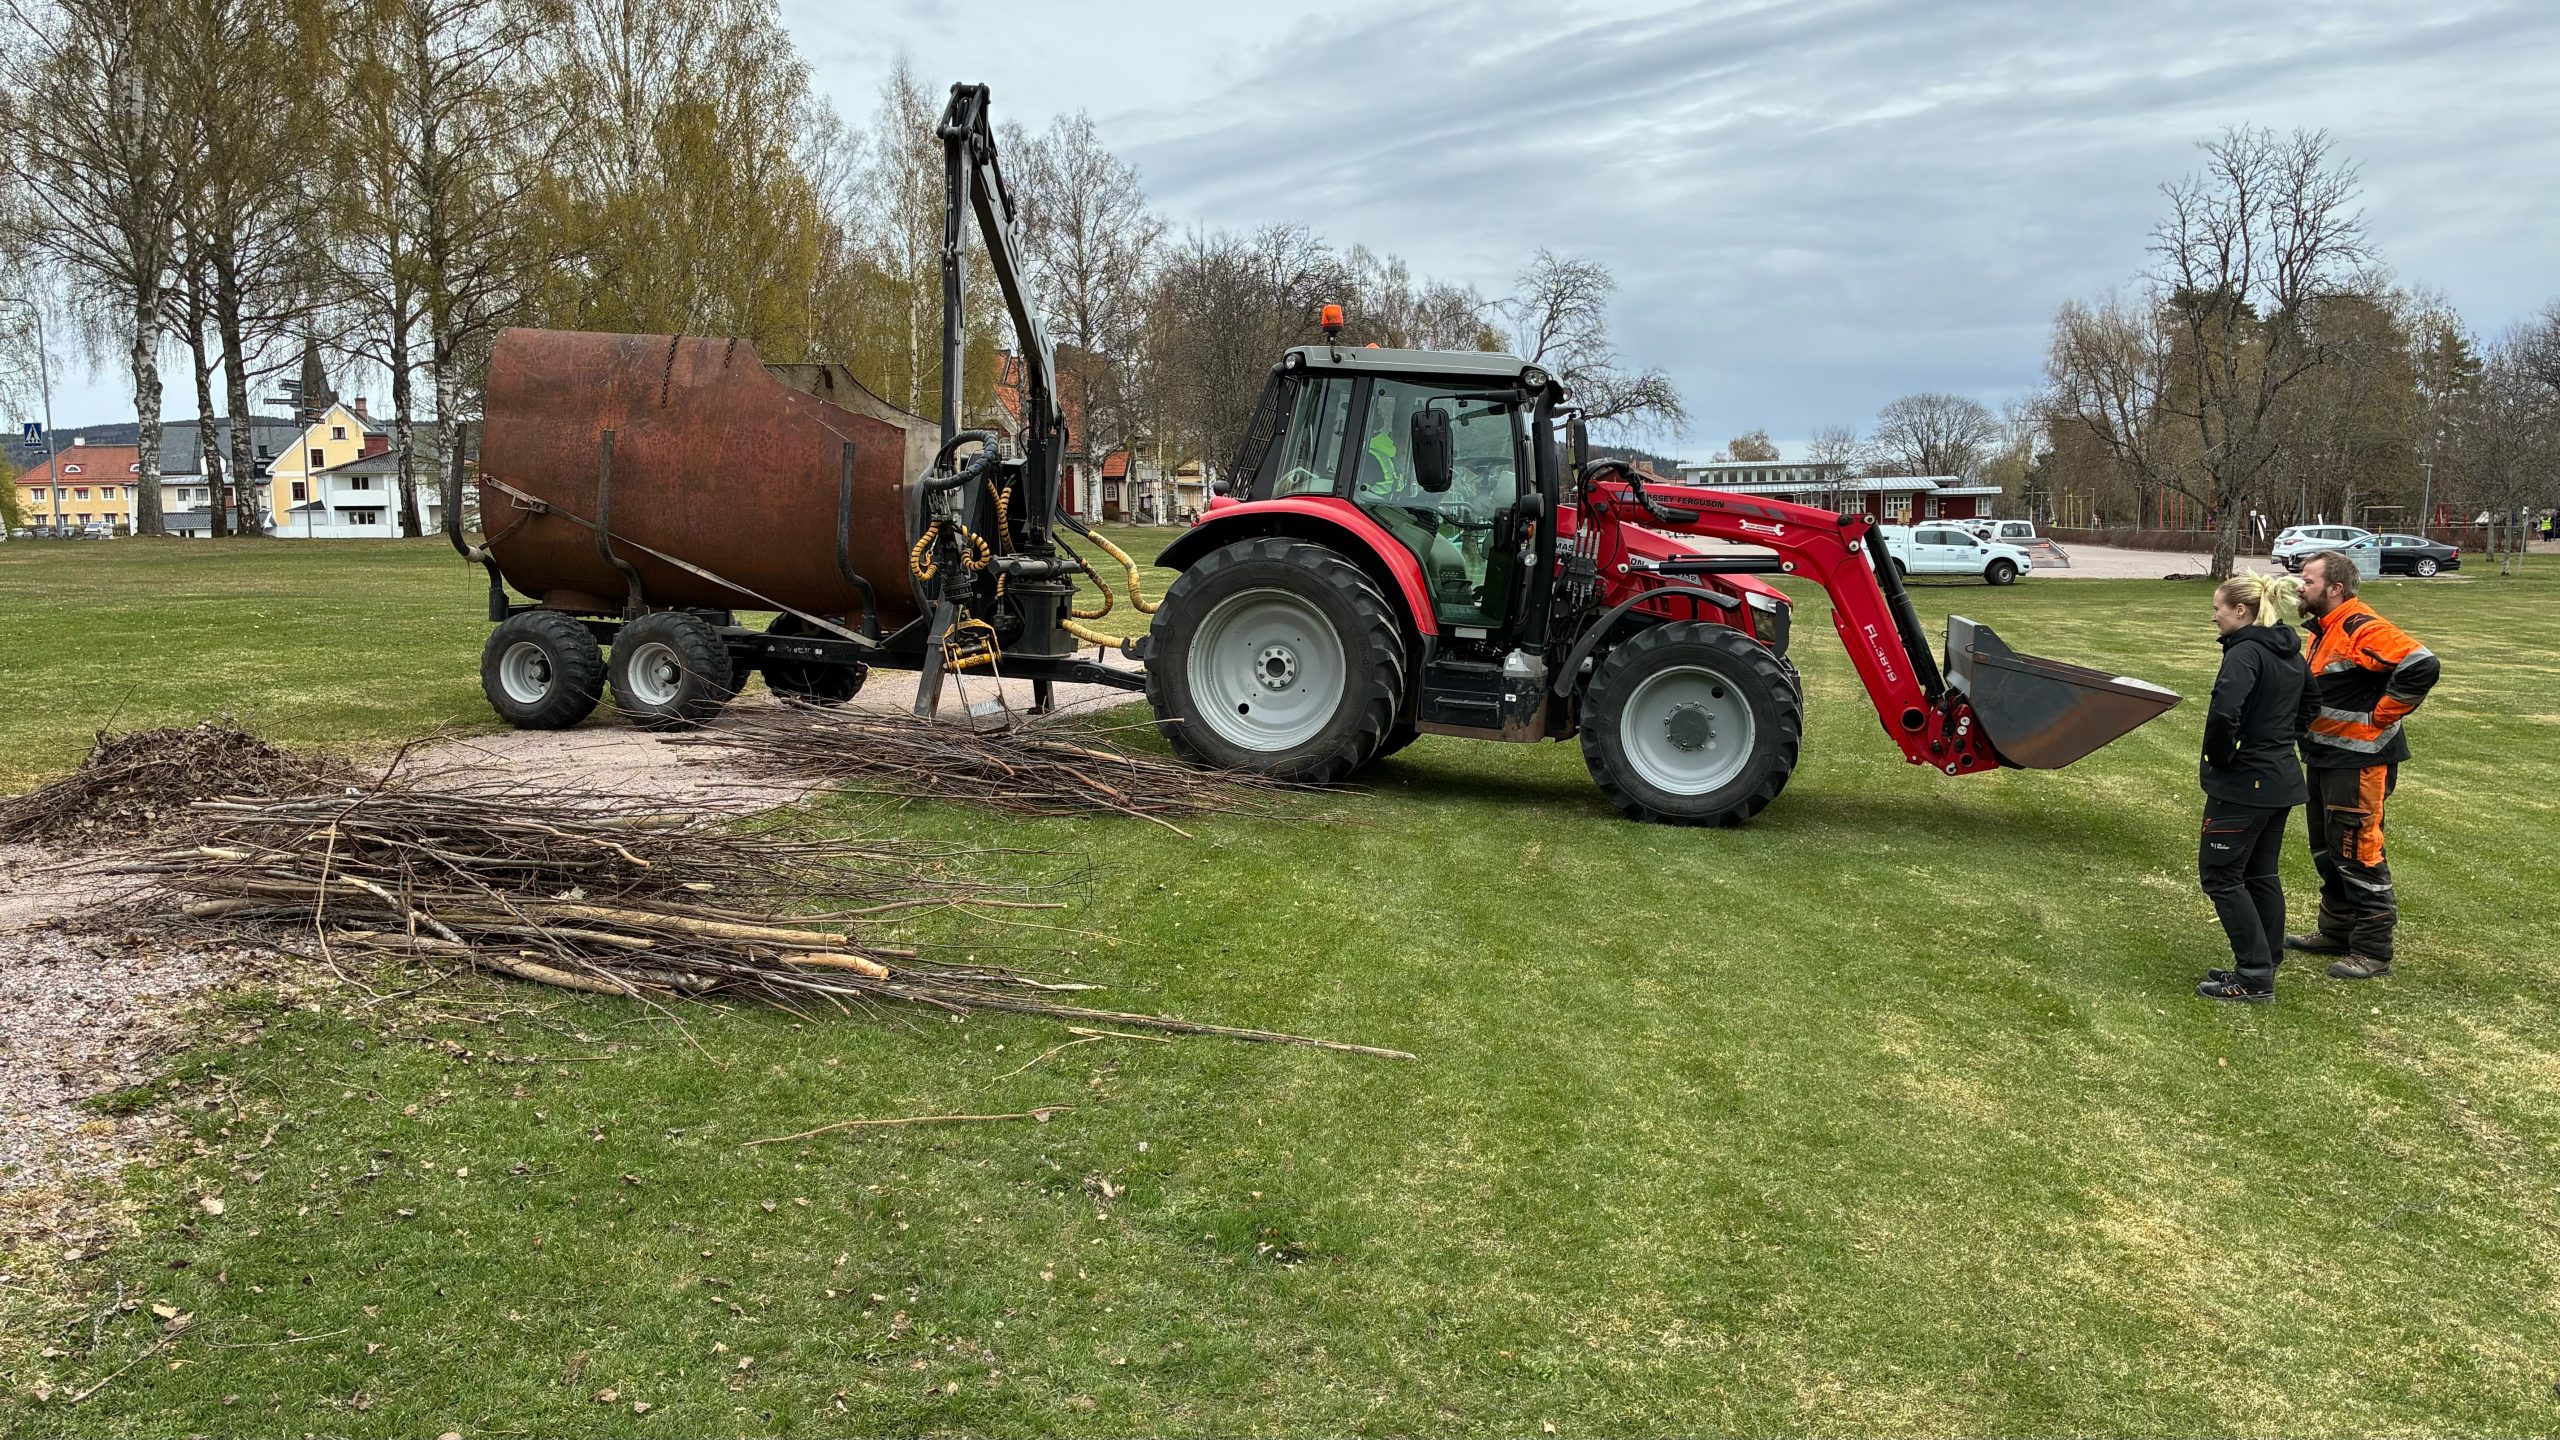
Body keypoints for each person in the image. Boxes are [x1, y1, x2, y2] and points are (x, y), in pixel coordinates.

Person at [2285, 549, 2440, 979]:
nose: (2301, 586)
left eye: (2309, 580)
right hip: (2325, 755)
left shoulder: (2359, 626)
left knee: (2357, 849)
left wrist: (2382, 715)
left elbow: (2421, 663)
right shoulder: (2324, 628)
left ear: (2336, 589)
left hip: (2360, 761)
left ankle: (2373, 949)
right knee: (2327, 847)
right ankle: (2335, 930)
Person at [2195, 572, 2309, 1003]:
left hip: (2247, 785)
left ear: (2240, 610)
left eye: (2217, 608)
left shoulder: (2244, 654)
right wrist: (2280, 744)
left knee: (2221, 874)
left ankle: (2255, 975)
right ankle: (2265, 958)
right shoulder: (2290, 655)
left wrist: (2225, 759)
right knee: (2260, 873)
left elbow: (2225, 714)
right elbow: (2310, 705)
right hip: (2279, 780)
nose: (2213, 617)